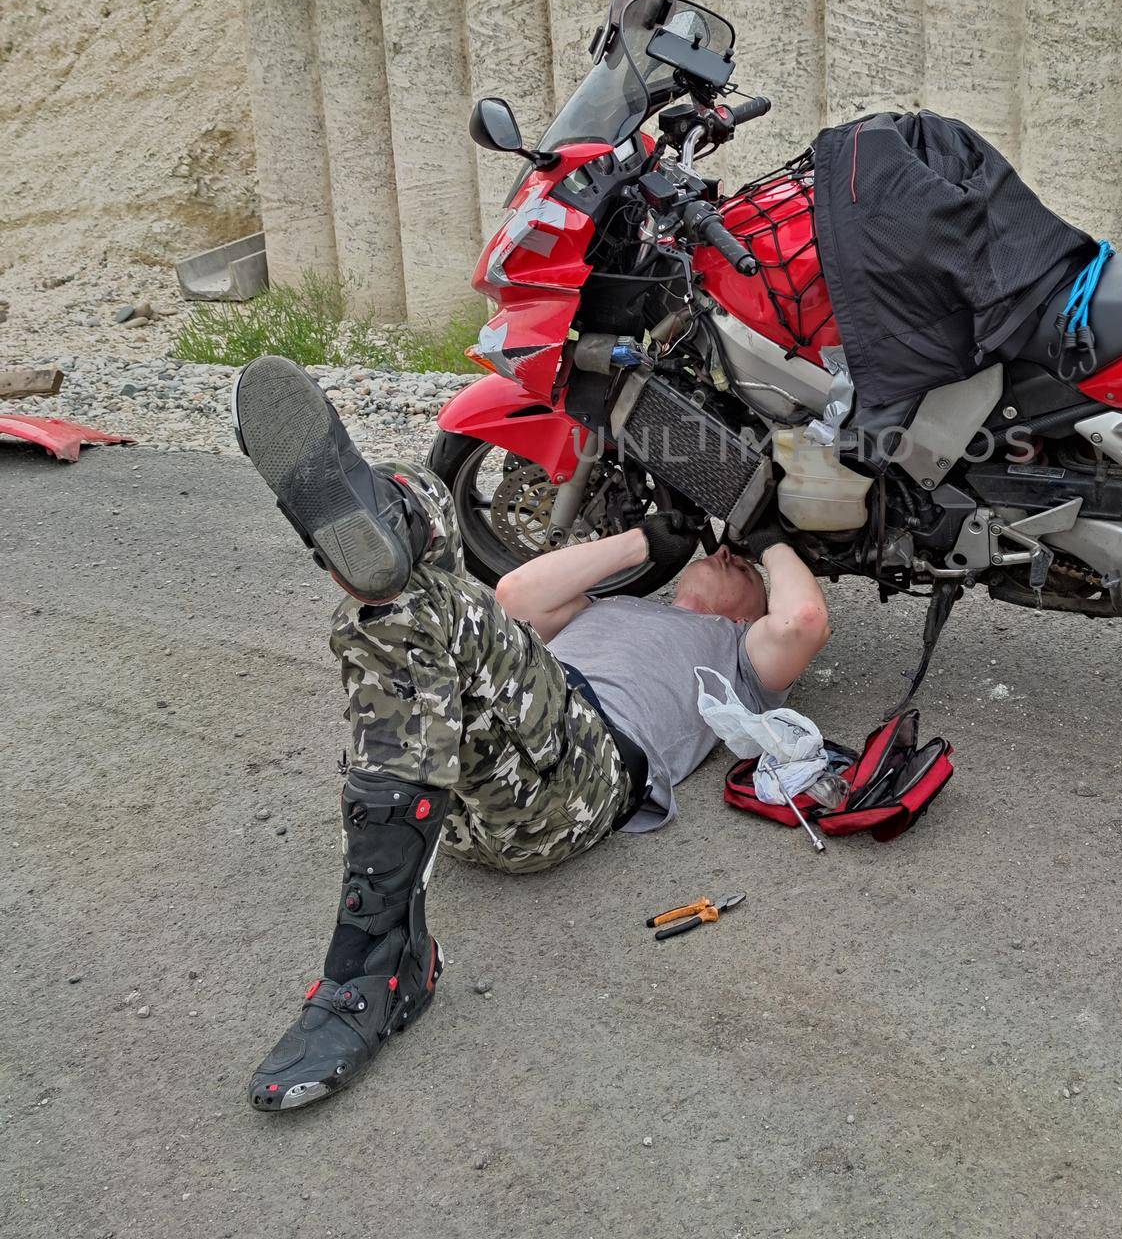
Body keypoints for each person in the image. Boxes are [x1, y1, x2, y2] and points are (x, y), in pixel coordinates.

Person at [230, 355, 833, 1112]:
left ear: (749, 607)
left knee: (433, 611)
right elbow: (518, 589)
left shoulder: (739, 660)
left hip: (582, 783)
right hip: (473, 784)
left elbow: (805, 619)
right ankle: (382, 522)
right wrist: (650, 544)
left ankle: (368, 969)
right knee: (427, 536)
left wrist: (769, 538)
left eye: (736, 565)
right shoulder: (612, 610)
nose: (723, 554)